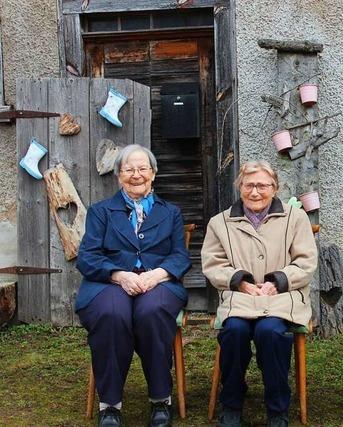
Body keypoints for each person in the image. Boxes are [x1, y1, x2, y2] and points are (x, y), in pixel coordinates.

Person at [75, 144, 191, 427]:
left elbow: (179, 255)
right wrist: (119, 275)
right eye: (129, 169)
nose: (136, 175)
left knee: (152, 312)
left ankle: (160, 400)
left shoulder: (171, 212)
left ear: (153, 173)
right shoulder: (101, 211)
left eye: (142, 169)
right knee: (112, 315)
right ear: (119, 176)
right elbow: (88, 257)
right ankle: (110, 405)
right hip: (109, 283)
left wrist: (158, 274)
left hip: (158, 283)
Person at [201, 160, 317, 427]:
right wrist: (239, 282)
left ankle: (277, 407)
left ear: (274, 188)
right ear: (239, 187)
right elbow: (213, 263)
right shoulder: (220, 223)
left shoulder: (295, 218)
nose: (255, 192)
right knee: (234, 332)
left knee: (271, 332)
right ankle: (231, 401)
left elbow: (306, 262)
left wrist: (278, 281)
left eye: (262, 186)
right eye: (249, 185)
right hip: (240, 297)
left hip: (281, 297)